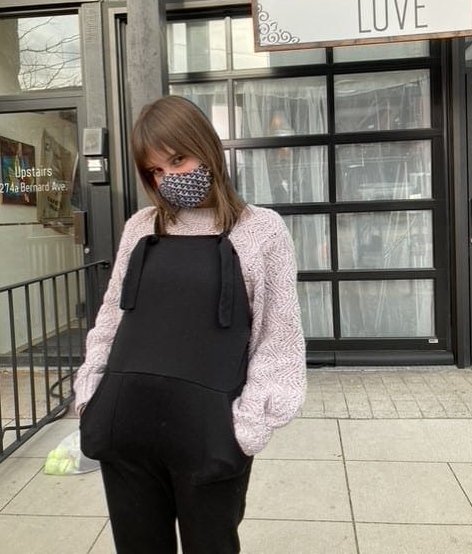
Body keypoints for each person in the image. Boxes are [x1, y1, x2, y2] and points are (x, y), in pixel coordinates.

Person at [74, 95, 306, 554]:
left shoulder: (260, 229)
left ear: (208, 149)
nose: (168, 178)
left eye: (178, 159)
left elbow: (278, 340)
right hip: (127, 427)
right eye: (155, 170)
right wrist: (90, 394)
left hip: (210, 433)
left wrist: (247, 426)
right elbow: (110, 319)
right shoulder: (141, 227)